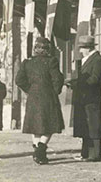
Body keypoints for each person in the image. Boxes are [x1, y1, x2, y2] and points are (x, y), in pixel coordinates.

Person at [15, 37, 64, 165]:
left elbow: (19, 80)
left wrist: (29, 90)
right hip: (48, 96)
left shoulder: (27, 62)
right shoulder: (51, 61)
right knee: (49, 126)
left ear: (35, 49)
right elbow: (57, 79)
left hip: (33, 97)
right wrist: (55, 91)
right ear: (47, 49)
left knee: (35, 126)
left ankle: (39, 154)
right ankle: (40, 151)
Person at [68, 35, 101, 161]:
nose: (80, 51)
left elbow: (95, 79)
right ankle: (85, 153)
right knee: (85, 125)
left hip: (92, 99)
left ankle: (94, 154)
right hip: (84, 97)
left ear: (88, 48)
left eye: (82, 48)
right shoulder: (88, 59)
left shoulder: (98, 60)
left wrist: (77, 83)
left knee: (93, 125)